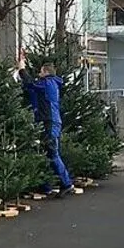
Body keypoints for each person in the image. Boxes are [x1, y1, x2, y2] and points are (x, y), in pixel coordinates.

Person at [17, 59, 75, 197]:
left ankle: (67, 184)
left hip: (50, 122)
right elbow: (31, 88)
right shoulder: (48, 85)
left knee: (52, 153)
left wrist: (22, 69)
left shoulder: (48, 83)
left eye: (41, 71)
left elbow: (31, 84)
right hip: (47, 122)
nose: (39, 73)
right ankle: (45, 185)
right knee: (46, 154)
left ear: (46, 72)